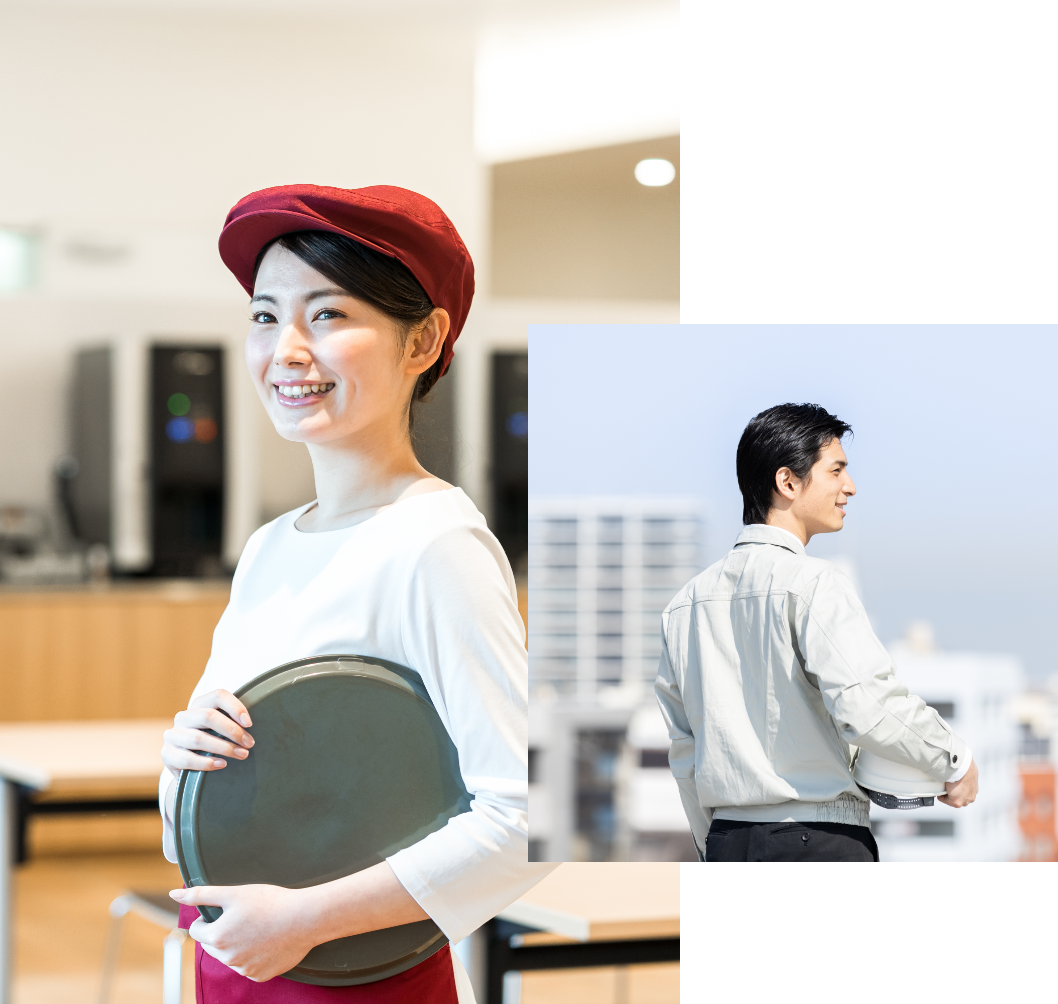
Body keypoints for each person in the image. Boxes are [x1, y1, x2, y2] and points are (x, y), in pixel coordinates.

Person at [158, 184, 550, 999]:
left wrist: (305, 920)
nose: (287, 349)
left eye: (328, 315)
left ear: (423, 341)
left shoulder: (436, 544)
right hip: (237, 959)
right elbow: (206, 823)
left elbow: (521, 821)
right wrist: (185, 763)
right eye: (265, 316)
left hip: (355, 974)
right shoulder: (270, 546)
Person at [655, 403, 979, 862]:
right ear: (787, 482)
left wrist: (717, 843)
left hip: (728, 841)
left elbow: (685, 753)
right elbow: (866, 704)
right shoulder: (814, 584)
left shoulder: (683, 606)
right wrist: (953, 758)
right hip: (817, 841)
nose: (850, 486)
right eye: (836, 470)